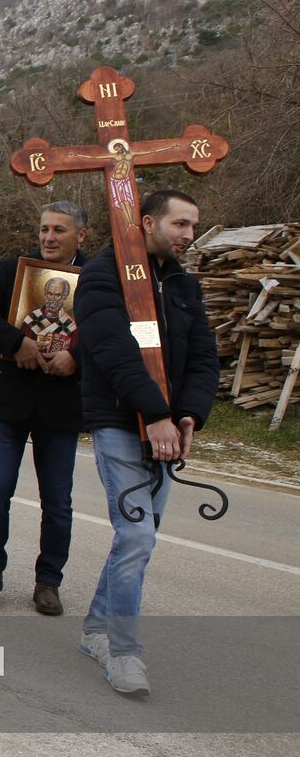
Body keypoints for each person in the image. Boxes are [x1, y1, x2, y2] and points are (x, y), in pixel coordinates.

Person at [74, 189, 218, 695]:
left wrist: (188, 416)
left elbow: (203, 358)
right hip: (117, 420)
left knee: (140, 536)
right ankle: (123, 651)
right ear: (149, 222)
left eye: (193, 225)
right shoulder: (101, 273)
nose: (188, 235)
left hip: (166, 427)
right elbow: (112, 348)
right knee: (135, 535)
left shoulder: (183, 284)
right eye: (180, 224)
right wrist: (153, 412)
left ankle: (95, 629)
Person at [0, 200, 89, 615]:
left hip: (61, 402)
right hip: (11, 396)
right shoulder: (13, 272)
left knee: (58, 499)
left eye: (59, 230)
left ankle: (49, 581)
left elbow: (114, 331)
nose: (49, 237)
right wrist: (18, 343)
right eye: (44, 229)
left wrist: (77, 357)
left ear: (80, 236)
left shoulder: (98, 278)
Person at [20, 276, 78, 354]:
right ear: (45, 295)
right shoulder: (32, 318)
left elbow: (72, 354)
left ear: (64, 297)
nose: (53, 299)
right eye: (50, 294)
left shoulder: (70, 324)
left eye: (57, 295)